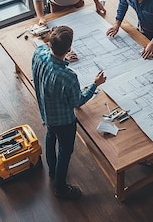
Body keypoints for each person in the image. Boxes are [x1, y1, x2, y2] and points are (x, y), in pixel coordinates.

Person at [31, 25, 106, 200]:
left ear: (50, 42)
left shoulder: (40, 53)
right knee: (65, 150)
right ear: (69, 48)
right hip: (64, 121)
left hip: (47, 113)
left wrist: (63, 58)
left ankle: (52, 170)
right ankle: (60, 187)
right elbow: (77, 101)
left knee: (50, 136)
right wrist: (95, 84)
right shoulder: (68, 76)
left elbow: (42, 49)